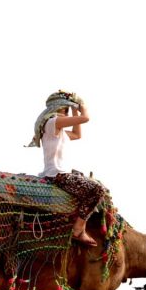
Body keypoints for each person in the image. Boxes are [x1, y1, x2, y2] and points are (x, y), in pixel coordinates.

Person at [28, 91, 105, 247]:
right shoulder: (52, 122)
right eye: (67, 110)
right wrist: (81, 105)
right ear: (60, 108)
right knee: (98, 190)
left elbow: (77, 134)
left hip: (60, 174)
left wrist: (75, 108)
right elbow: (86, 119)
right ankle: (78, 229)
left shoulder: (56, 128)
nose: (68, 114)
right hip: (57, 175)